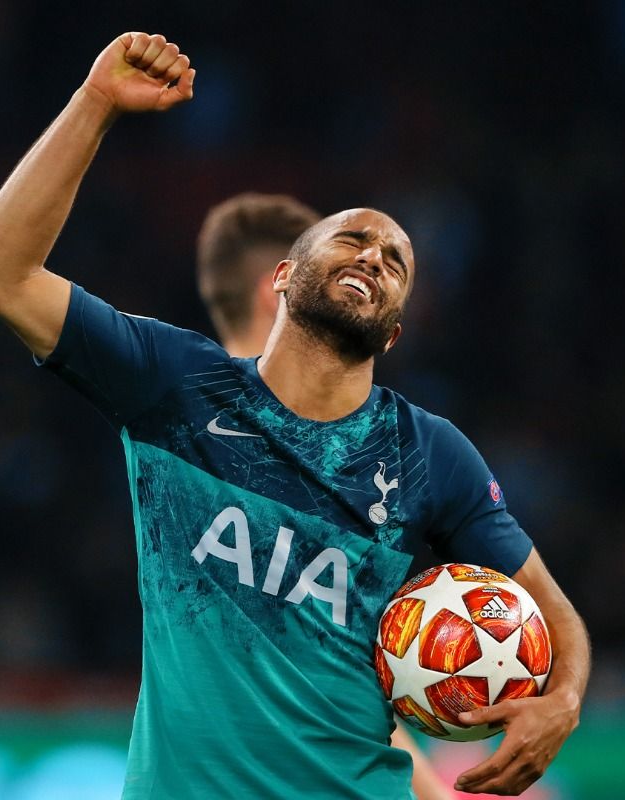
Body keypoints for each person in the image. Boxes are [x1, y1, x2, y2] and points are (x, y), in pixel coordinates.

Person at [0, 32, 590, 800]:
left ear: (393, 332)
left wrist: (562, 700)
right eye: (354, 238)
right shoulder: (177, 384)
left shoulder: (430, 453)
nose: (375, 257)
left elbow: (552, 616)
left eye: (396, 262)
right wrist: (94, 104)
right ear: (284, 276)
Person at [198, 192, 457, 800]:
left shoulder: (174, 418)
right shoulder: (206, 437)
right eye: (342, 250)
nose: (367, 267)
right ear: (277, 286)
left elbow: (322, 686)